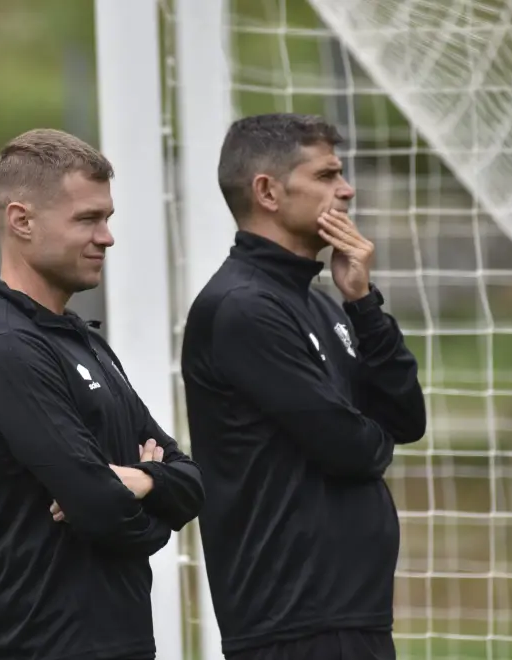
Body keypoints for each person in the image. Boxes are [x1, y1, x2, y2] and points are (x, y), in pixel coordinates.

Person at [0, 128, 205, 660]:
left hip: (123, 642)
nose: (106, 237)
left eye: (107, 218)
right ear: (22, 220)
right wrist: (144, 493)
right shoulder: (3, 348)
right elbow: (100, 505)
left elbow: (193, 480)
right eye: (87, 219)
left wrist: (142, 480)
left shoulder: (81, 339)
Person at [180, 113, 427, 660]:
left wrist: (363, 304)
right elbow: (350, 448)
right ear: (268, 191)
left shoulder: (318, 298)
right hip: (292, 622)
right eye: (326, 176)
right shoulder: (242, 308)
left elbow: (407, 420)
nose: (347, 189)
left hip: (348, 612)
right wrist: (373, 435)